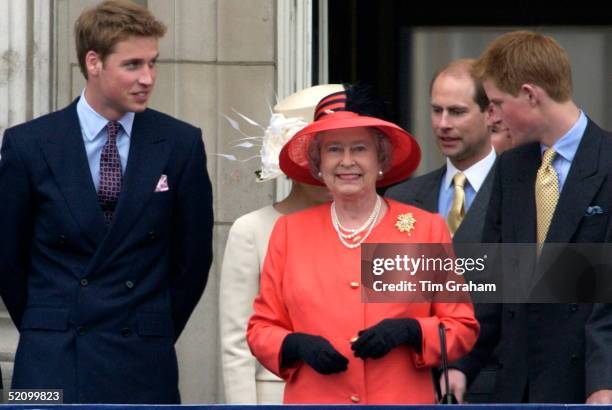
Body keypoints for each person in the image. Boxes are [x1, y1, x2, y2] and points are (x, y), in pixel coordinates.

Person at [0, 0, 213, 403]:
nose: (147, 77)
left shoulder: (181, 143)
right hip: (50, 360)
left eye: (153, 63)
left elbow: (193, 260)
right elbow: (8, 258)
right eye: (133, 65)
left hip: (142, 356)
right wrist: (48, 323)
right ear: (94, 62)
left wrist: (155, 325)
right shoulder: (28, 144)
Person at [247, 85, 479, 404]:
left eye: (359, 149)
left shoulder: (424, 230)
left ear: (380, 158)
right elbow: (262, 328)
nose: (346, 162)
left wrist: (412, 332)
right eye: (333, 150)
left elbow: (461, 327)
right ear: (317, 162)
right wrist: (293, 345)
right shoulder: (289, 233)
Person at [445, 31, 612, 404]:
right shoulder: (512, 169)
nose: (492, 117)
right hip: (518, 388)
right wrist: (461, 365)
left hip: (588, 386)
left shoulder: (608, 163)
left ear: (530, 94)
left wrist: (605, 381)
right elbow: (493, 282)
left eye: (496, 103)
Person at [219, 84, 342, 404]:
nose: (334, 167)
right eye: (324, 152)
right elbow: (237, 343)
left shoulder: (371, 226)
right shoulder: (252, 230)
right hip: (279, 394)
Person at [386, 58, 496, 243]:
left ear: (490, 114)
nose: (443, 124)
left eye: (457, 112)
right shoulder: (401, 198)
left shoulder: (521, 192)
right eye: (437, 110)